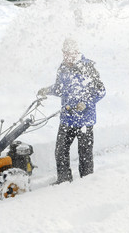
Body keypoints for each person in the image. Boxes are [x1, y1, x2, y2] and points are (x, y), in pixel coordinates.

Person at [37, 38, 106, 184]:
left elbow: (100, 91)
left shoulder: (88, 67)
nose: (67, 56)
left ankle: (87, 181)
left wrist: (85, 103)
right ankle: (64, 180)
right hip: (67, 118)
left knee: (85, 154)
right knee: (60, 151)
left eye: (70, 53)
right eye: (64, 53)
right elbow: (59, 88)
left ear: (76, 51)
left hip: (84, 121)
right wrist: (46, 90)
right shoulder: (63, 68)